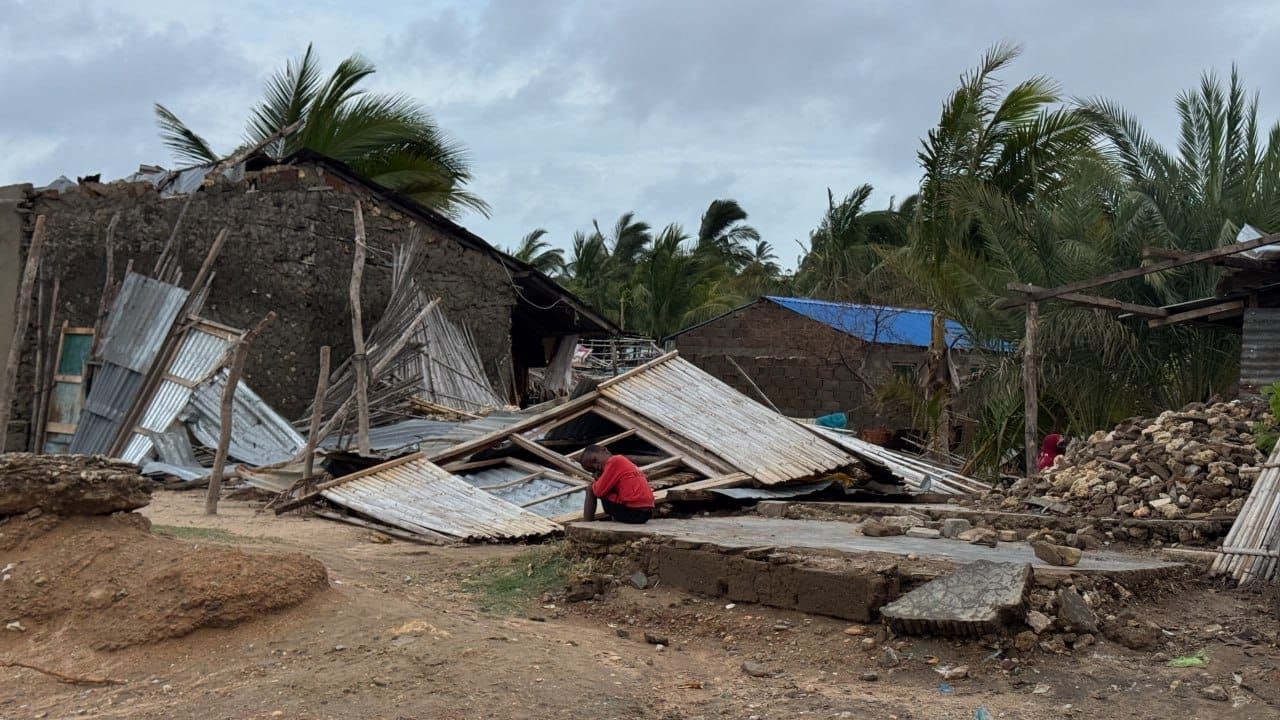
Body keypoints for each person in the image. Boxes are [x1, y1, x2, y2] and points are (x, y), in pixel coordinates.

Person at [579, 445, 654, 524]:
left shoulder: (614, 461)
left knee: (591, 488)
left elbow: (598, 492)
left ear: (604, 450)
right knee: (605, 488)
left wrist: (597, 481)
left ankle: (586, 523)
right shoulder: (624, 462)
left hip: (633, 512)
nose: (596, 466)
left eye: (595, 460)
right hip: (646, 513)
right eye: (593, 469)